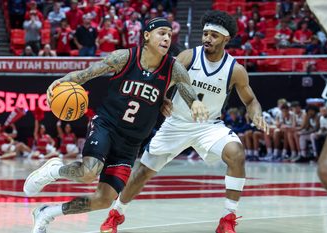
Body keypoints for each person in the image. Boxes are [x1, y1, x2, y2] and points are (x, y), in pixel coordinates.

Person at [23, 17, 208, 233]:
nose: (167, 38)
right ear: (147, 35)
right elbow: (88, 73)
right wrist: (63, 80)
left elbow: (187, 90)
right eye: (162, 33)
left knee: (104, 199)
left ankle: (47, 213)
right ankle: (55, 170)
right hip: (107, 125)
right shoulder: (125, 57)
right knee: (89, 172)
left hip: (131, 143)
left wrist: (195, 103)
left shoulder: (174, 68)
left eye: (169, 34)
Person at [100, 10, 269, 233]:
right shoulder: (189, 56)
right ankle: (116, 213)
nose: (207, 38)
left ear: (226, 39)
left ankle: (228, 218)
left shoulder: (235, 70)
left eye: (214, 35)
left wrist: (256, 113)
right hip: (176, 123)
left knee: (236, 153)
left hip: (209, 127)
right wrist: (163, 100)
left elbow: (251, 99)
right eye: (206, 33)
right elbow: (163, 82)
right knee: (143, 173)